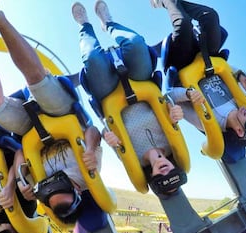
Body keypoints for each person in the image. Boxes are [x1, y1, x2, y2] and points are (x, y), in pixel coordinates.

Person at [0, 0, 102, 226]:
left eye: (50, 194)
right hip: (60, 113)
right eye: (61, 187)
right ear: (77, 191)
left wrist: (17, 181)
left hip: (31, 128)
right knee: (37, 82)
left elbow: (22, 153)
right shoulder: (86, 174)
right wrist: (90, 149)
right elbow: (92, 131)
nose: (52, 184)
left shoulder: (39, 185)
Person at [72, 1, 189, 195]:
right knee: (135, 42)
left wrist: (108, 136)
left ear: (152, 176)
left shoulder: (131, 158)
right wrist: (174, 109)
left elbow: (106, 130)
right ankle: (108, 23)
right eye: (172, 173)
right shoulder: (172, 142)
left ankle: (84, 26)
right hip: (140, 82)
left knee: (92, 57)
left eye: (162, 178)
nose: (166, 171)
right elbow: (167, 100)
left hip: (110, 94)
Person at [151, 0, 246, 161]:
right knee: (210, 16)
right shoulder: (240, 102)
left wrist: (187, 94)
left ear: (240, 131)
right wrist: (242, 75)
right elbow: (226, 69)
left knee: (183, 24)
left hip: (183, 63)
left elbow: (170, 97)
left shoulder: (206, 121)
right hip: (206, 56)